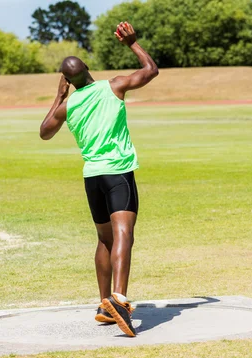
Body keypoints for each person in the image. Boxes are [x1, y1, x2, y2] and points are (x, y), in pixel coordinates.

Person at [39, 21, 158, 337]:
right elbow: (150, 70)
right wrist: (132, 42)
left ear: (66, 81)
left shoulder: (68, 105)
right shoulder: (114, 85)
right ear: (88, 68)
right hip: (117, 172)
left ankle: (104, 305)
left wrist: (58, 97)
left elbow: (45, 132)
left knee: (105, 239)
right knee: (124, 235)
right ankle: (118, 300)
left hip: (92, 178)